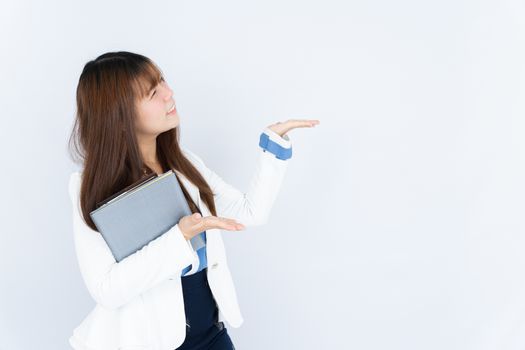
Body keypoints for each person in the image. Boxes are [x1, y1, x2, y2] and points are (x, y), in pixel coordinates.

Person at [67, 51, 320, 350]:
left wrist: (273, 147)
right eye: (152, 92)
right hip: (148, 342)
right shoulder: (89, 186)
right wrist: (180, 236)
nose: (169, 93)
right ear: (119, 116)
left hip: (210, 332)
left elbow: (249, 212)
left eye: (162, 80)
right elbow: (107, 289)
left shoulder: (185, 163)